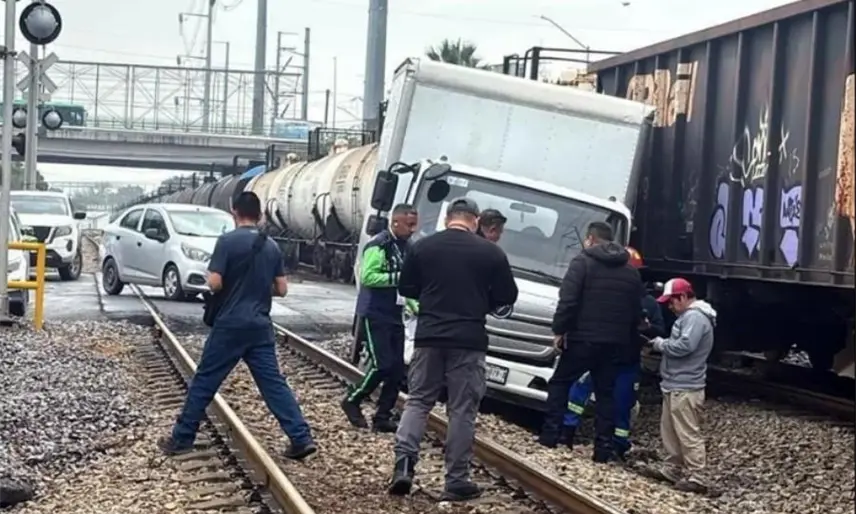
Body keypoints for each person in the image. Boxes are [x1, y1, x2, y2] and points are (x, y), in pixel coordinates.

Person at [157, 192, 316, 460]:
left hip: (230, 326)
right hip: (260, 327)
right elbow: (282, 289)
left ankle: (182, 438)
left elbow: (215, 283)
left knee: (205, 381)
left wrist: (219, 281)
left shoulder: (227, 241)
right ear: (260, 215)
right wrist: (257, 287)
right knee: (273, 384)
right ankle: (301, 438)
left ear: (234, 212)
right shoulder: (271, 246)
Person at [389, 198, 518, 501]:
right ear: (475, 220)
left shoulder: (423, 247)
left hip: (429, 336)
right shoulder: (491, 253)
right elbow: (507, 296)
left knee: (418, 401)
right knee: (461, 410)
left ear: (448, 219)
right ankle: (457, 480)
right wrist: (482, 299)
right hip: (468, 340)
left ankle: (403, 466)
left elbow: (406, 288)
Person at [537, 221, 644, 463]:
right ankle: (602, 449)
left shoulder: (582, 263)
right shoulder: (630, 272)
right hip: (614, 344)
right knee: (606, 394)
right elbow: (635, 312)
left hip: (582, 340)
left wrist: (560, 330)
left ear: (590, 239)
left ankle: (550, 436)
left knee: (560, 382)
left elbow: (568, 301)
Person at [562, 247, 666, 458]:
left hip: (626, 361)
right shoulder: (603, 291)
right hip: (602, 356)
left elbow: (659, 329)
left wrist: (645, 329)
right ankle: (567, 434)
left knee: (621, 404)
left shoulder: (648, 303)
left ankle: (616, 446)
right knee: (578, 394)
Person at [342, 204, 419, 432]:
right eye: (409, 225)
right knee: (381, 364)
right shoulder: (378, 244)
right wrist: (398, 277)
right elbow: (368, 277)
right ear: (395, 222)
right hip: (375, 313)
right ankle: (353, 399)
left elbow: (405, 288)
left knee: (397, 370)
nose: (413, 229)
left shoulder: (408, 247)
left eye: (415, 225)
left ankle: (382, 416)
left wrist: (416, 307)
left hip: (395, 315)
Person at [644, 277, 716, 492]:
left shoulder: (695, 317)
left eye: (672, 301)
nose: (669, 306)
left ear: (683, 297)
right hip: (676, 383)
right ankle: (673, 468)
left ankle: (698, 476)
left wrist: (660, 344)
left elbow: (685, 346)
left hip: (686, 385)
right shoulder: (692, 316)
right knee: (671, 430)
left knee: (687, 432)